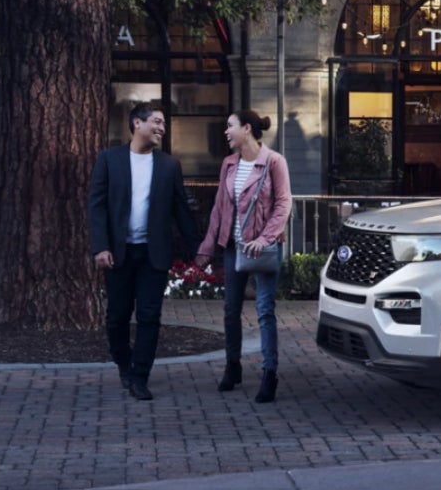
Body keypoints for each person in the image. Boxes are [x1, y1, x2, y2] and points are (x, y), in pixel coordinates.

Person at [85, 103, 194, 401]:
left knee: (149, 316)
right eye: (156, 122)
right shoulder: (109, 159)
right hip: (118, 253)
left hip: (153, 253)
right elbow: (96, 206)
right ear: (137, 123)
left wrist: (201, 251)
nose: (161, 128)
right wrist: (100, 247)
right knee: (117, 318)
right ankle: (124, 363)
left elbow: (181, 212)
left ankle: (139, 376)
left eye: (163, 124)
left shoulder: (170, 165)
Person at [195, 109, 292, 403]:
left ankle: (269, 373)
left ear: (246, 128)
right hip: (233, 246)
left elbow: (283, 204)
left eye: (230, 126)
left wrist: (264, 239)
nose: (225, 132)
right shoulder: (229, 164)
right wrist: (207, 247)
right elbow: (220, 209)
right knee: (229, 310)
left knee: (264, 311)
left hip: (262, 249)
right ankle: (233, 365)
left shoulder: (274, 162)